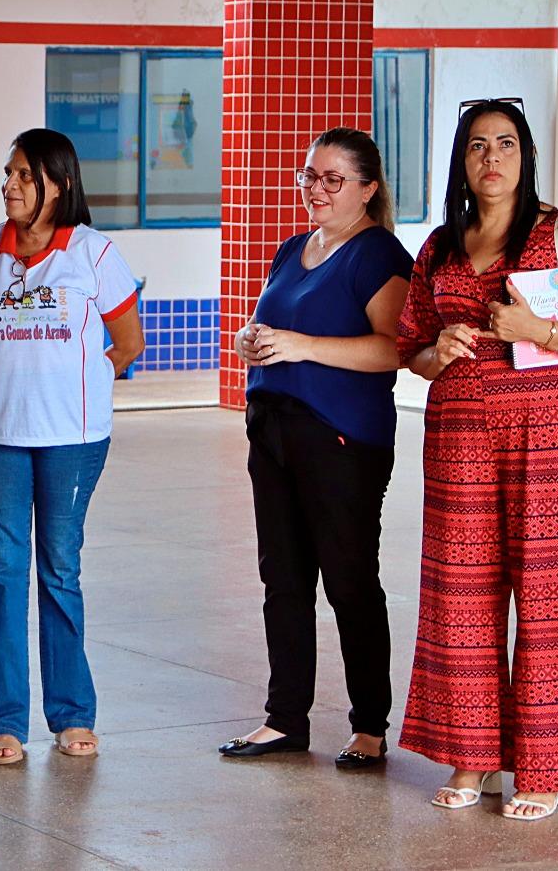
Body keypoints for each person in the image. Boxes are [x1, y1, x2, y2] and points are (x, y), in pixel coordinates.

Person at [397, 99, 558, 822]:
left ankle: (545, 764)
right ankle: (472, 757)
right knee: (459, 597)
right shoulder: (439, 246)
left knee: (551, 595)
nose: (490, 158)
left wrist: (539, 328)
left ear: (525, 156)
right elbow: (412, 345)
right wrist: (439, 352)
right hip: (460, 438)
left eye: (504, 144)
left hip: (551, 439)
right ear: (461, 162)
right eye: (476, 146)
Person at [217, 128, 412, 767]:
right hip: (272, 429)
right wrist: (254, 342)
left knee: (349, 580)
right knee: (284, 578)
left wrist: (302, 347)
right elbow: (270, 323)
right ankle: (285, 717)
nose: (317, 189)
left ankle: (369, 725)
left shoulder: (377, 254)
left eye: (333, 179)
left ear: (368, 189)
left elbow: (394, 349)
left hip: (340, 440)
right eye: (309, 176)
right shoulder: (293, 248)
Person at [0, 127, 145, 766]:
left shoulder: (92, 253)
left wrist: (75, 381)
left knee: (60, 568)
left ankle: (71, 712)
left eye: (24, 176)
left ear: (59, 184)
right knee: (4, 570)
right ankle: (4, 720)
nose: (9, 185)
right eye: (7, 174)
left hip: (74, 440)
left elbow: (129, 343)